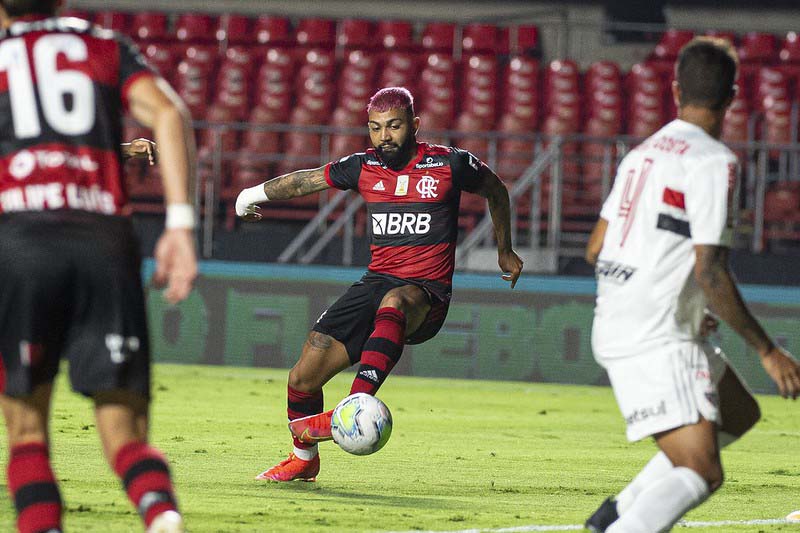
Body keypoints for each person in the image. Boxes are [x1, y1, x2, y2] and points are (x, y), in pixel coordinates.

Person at [236, 86, 523, 481]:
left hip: (426, 293)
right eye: (375, 128)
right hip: (376, 281)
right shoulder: (363, 166)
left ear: (415, 126)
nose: (384, 137)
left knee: (395, 300)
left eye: (394, 127)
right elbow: (306, 181)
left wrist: (504, 248)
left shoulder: (450, 164)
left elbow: (496, 190)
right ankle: (304, 460)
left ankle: (356, 405)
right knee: (303, 375)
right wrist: (249, 195)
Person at [583, 37, 800, 532]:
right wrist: (768, 351)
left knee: (738, 412)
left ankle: (613, 516)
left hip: (622, 315)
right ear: (733, 97)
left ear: (676, 89)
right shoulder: (713, 161)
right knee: (702, 470)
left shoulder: (641, 154)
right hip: (658, 333)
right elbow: (711, 271)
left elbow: (596, 247)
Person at [0, 2, 198, 533]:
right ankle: (161, 514)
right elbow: (170, 114)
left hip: (21, 243)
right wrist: (179, 224)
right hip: (103, 242)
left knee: (26, 433)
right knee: (126, 433)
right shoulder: (105, 47)